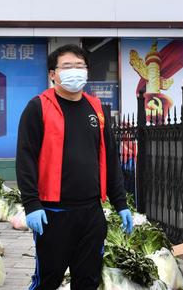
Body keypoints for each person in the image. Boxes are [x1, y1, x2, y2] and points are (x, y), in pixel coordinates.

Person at [16, 44, 133, 290]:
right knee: (48, 280)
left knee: (88, 280)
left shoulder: (96, 108)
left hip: (91, 212)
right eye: (67, 67)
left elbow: (109, 157)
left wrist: (120, 203)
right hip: (53, 215)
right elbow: (26, 158)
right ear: (52, 74)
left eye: (80, 66)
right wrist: (31, 204)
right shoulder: (38, 107)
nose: (75, 72)